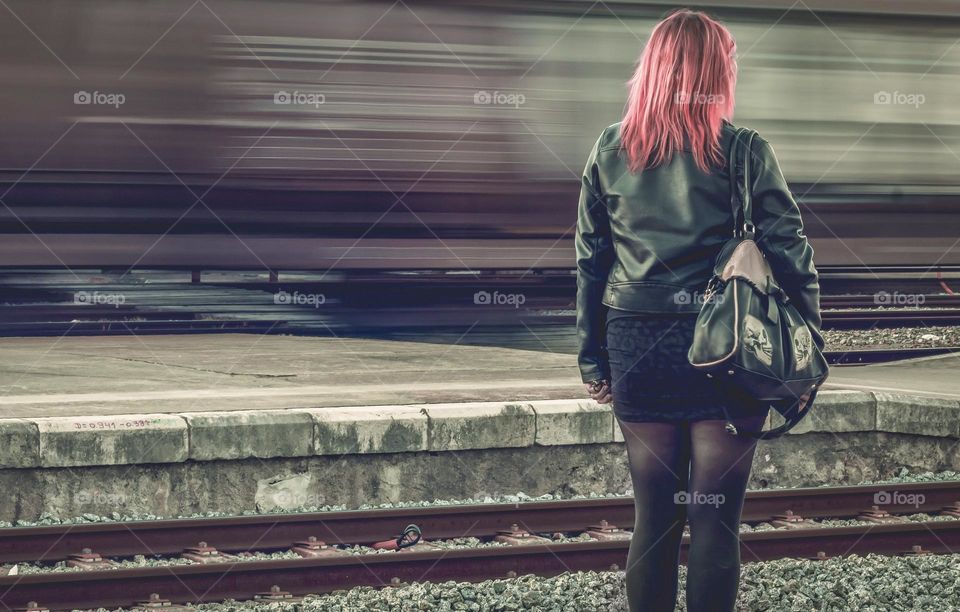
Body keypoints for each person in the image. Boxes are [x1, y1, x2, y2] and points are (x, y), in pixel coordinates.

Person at [574, 8, 823, 612]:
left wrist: (592, 359)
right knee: (715, 520)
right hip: (728, 348)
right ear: (716, 73)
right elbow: (791, 251)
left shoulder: (610, 148)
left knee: (653, 517)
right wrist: (809, 340)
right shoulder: (743, 151)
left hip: (637, 345)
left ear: (652, 71)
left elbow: (591, 262)